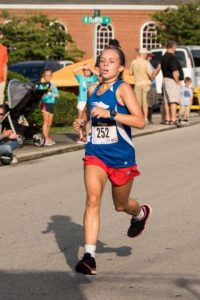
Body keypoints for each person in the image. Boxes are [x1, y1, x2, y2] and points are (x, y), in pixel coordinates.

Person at [73, 45, 152, 275]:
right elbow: (87, 116)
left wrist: (112, 114)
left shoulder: (122, 88)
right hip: (96, 153)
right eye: (102, 60)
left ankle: (140, 214)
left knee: (121, 205)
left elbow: (140, 121)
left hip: (121, 157)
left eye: (111, 61)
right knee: (93, 198)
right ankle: (89, 257)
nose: (105, 64)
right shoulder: (92, 89)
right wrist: (81, 124)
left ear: (120, 68)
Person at [129, 48, 158, 125]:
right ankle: (145, 118)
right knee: (145, 103)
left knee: (138, 103)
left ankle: (139, 117)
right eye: (146, 54)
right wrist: (156, 71)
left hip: (137, 84)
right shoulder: (146, 63)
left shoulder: (133, 62)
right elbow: (150, 75)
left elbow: (130, 73)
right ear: (144, 54)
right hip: (146, 84)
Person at [73, 64, 99, 144]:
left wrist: (90, 68)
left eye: (88, 70)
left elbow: (99, 74)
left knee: (88, 119)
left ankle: (87, 136)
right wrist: (82, 67)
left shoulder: (93, 78)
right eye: (85, 70)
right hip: (81, 100)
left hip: (89, 100)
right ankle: (81, 136)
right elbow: (73, 71)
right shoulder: (81, 78)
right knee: (80, 119)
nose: (86, 71)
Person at [161, 40, 184, 125]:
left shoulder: (163, 57)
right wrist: (177, 82)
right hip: (171, 80)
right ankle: (173, 119)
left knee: (167, 101)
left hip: (165, 79)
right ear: (173, 47)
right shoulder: (171, 57)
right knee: (173, 101)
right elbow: (174, 71)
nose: (176, 49)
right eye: (175, 47)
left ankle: (167, 119)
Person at [40, 69, 59, 146]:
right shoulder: (42, 85)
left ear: (51, 76)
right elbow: (42, 97)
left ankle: (47, 137)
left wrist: (53, 94)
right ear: (44, 76)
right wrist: (48, 92)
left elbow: (57, 95)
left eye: (49, 75)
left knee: (49, 123)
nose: (48, 77)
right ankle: (44, 139)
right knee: (46, 122)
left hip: (52, 104)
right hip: (45, 104)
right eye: (46, 75)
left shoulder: (53, 85)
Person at [146, 53, 158, 124]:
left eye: (151, 57)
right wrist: (158, 69)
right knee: (149, 104)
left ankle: (149, 118)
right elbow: (152, 76)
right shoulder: (147, 65)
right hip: (150, 85)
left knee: (151, 104)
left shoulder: (150, 64)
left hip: (153, 85)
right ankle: (148, 119)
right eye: (149, 56)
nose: (151, 58)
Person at [0, 28, 8, 105]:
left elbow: (4, 65)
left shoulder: (4, 49)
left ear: (1, 36)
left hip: (1, 81)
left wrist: (4, 82)